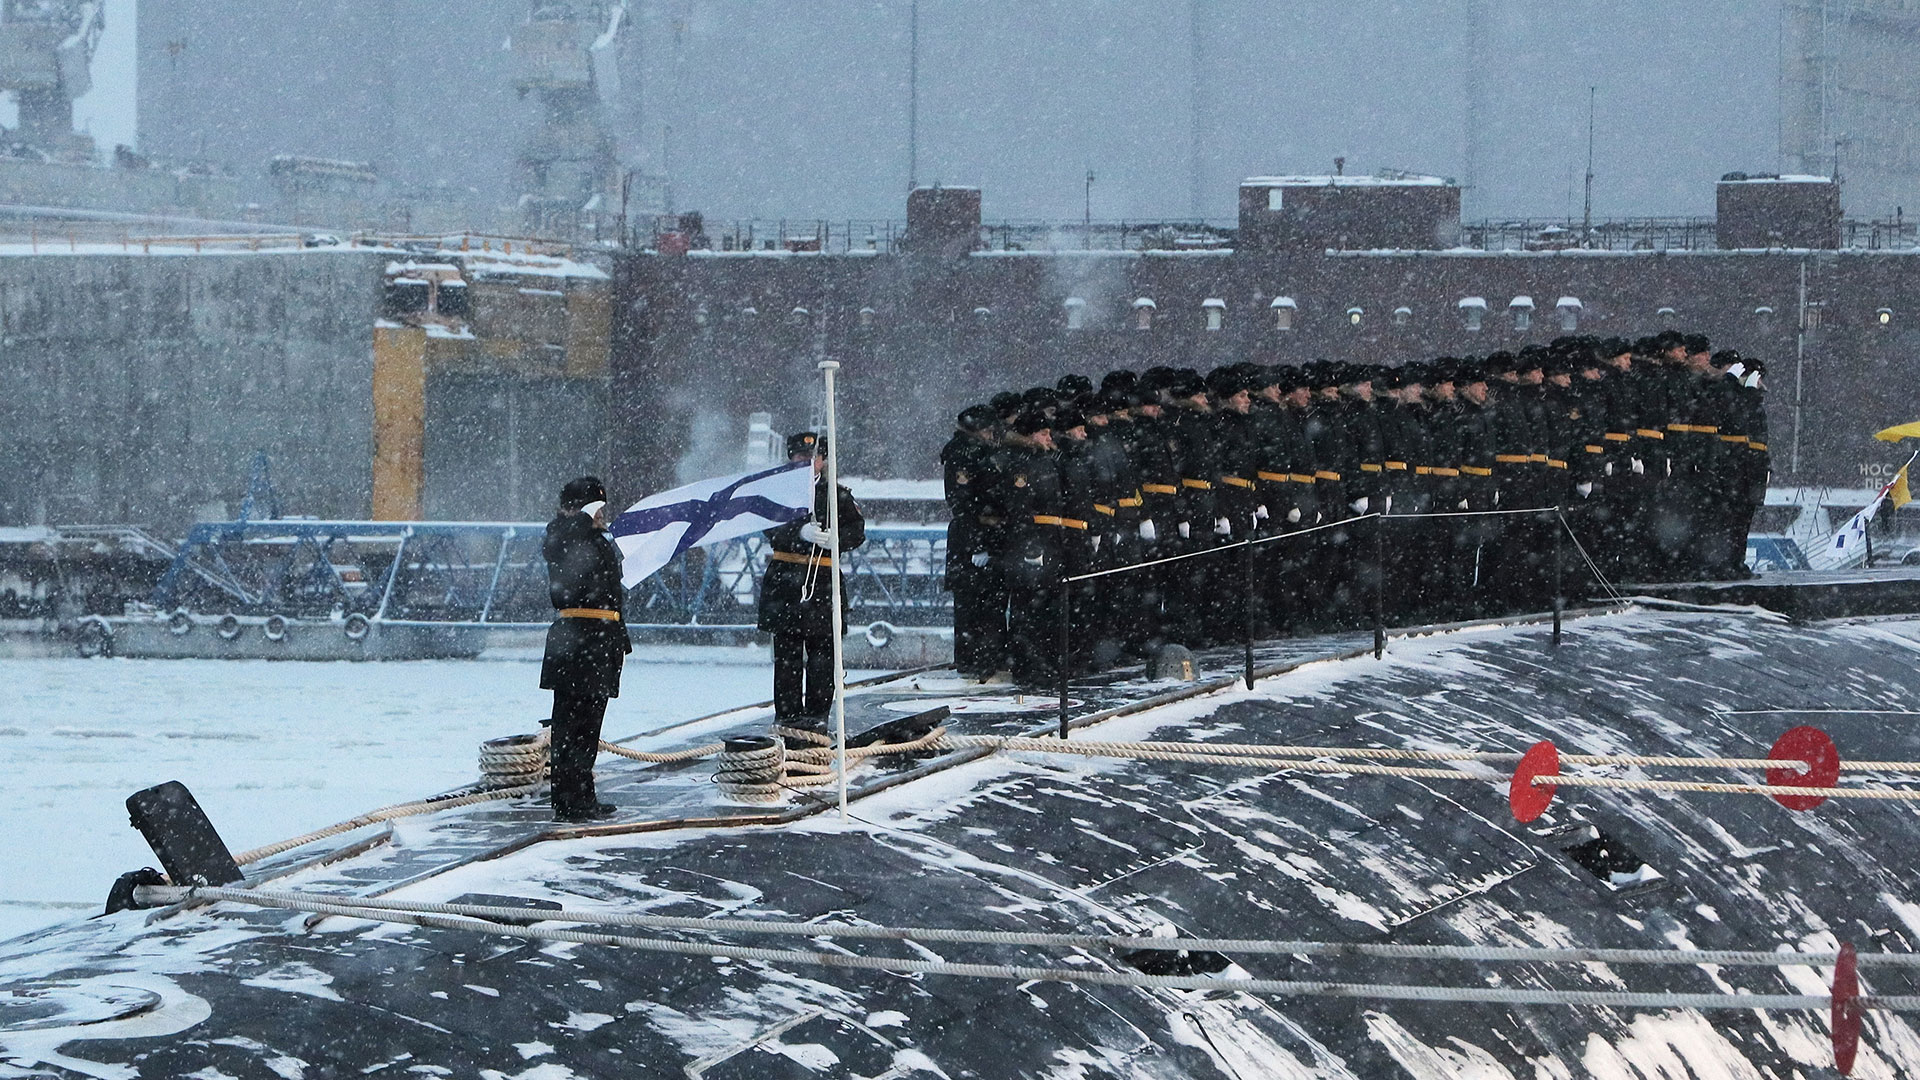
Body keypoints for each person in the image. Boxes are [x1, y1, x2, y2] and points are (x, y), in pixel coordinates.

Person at [759, 432, 866, 728]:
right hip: (786, 579)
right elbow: (768, 529)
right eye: (801, 457)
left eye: (814, 458)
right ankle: (788, 716)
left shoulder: (837, 494)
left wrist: (837, 539)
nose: (809, 463)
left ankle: (818, 715)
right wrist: (798, 534)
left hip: (822, 579)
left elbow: (857, 532)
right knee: (787, 657)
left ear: (823, 460)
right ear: (791, 458)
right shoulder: (778, 493)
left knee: (823, 656)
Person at [540, 476, 631, 823]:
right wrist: (580, 516)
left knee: (589, 725)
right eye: (595, 508)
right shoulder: (561, 534)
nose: (600, 515)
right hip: (576, 639)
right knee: (570, 725)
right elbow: (560, 542)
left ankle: (582, 793)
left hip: (599, 639)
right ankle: (568, 799)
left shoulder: (594, 539)